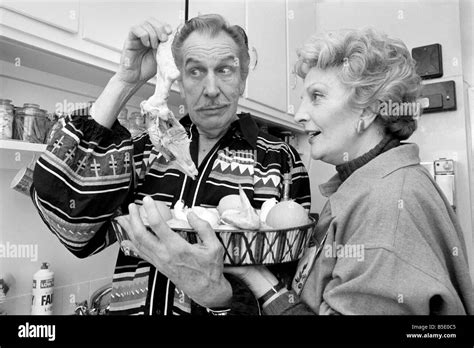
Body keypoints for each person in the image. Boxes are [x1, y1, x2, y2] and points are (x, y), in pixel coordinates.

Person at [120, 27, 474, 315]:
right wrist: (256, 276)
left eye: (316, 97)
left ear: (368, 111)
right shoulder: (361, 191)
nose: (299, 115)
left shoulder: (389, 205)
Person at [30, 14, 311, 315]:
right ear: (178, 78)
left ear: (242, 79)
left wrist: (223, 298)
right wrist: (126, 80)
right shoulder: (147, 150)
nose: (212, 88)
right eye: (195, 71)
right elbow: (70, 225)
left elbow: (287, 297)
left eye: (226, 70)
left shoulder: (279, 160)